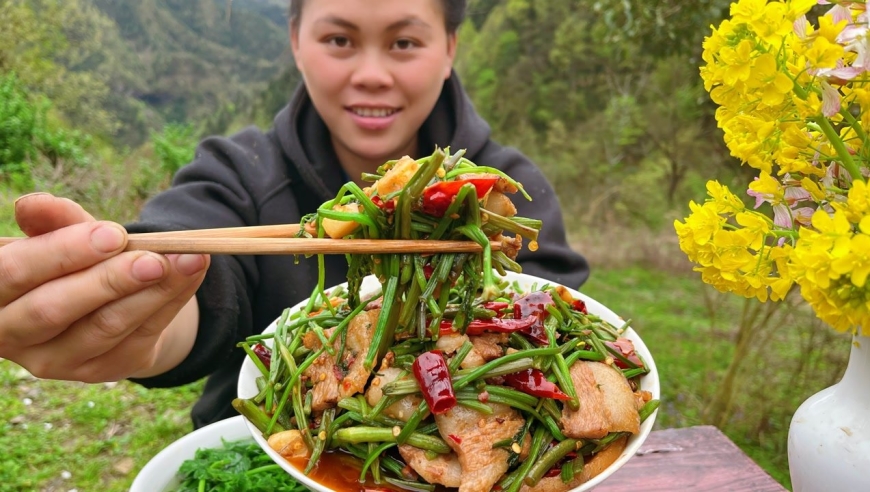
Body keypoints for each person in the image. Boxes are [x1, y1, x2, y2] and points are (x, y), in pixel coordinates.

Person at [0, 0, 589, 428]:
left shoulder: (512, 194)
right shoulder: (238, 170)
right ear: (295, 40)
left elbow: (558, 316)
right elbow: (193, 270)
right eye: (339, 39)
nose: (371, 73)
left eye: (404, 42)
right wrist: (131, 315)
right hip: (272, 446)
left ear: (450, 50)